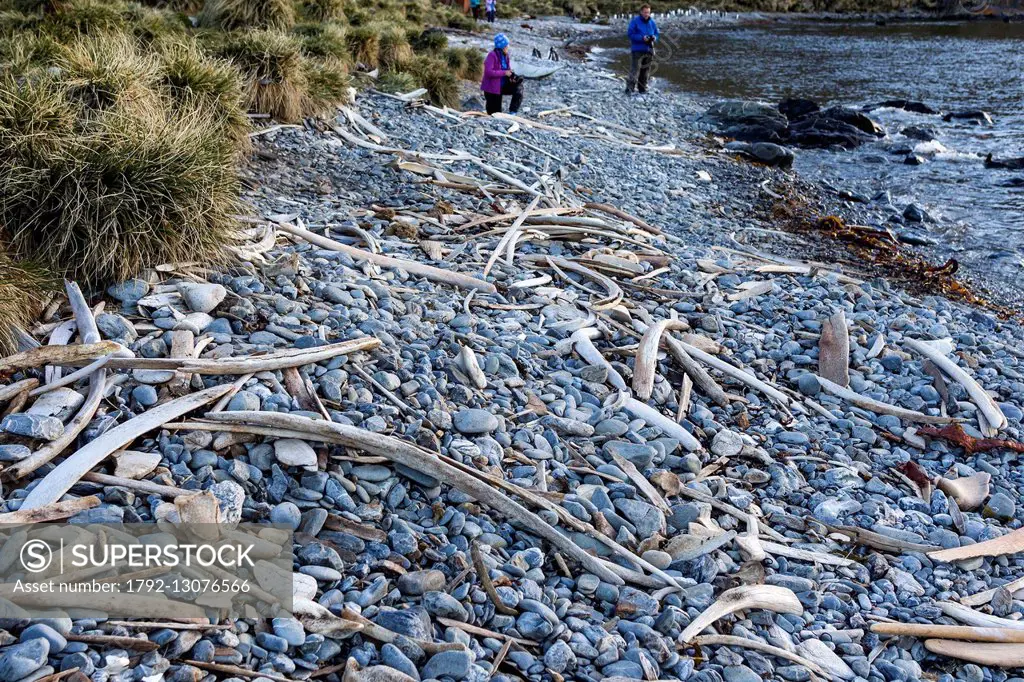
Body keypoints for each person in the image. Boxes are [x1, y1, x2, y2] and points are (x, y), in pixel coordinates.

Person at [481, 33, 523, 115]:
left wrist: (511, 76)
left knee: (519, 88)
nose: (508, 47)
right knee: (494, 114)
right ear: (502, 46)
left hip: (502, 86)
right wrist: (504, 73)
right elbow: (488, 72)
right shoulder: (491, 55)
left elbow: (508, 70)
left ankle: (513, 112)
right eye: (506, 45)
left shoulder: (506, 56)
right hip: (492, 89)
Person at [626, 4, 658, 94]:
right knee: (634, 69)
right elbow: (630, 34)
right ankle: (629, 88)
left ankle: (642, 88)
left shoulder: (652, 22)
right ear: (641, 12)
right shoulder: (635, 21)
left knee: (645, 71)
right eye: (645, 12)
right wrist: (642, 38)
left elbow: (656, 33)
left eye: (648, 12)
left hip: (649, 49)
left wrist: (655, 37)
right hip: (637, 49)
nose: (646, 14)